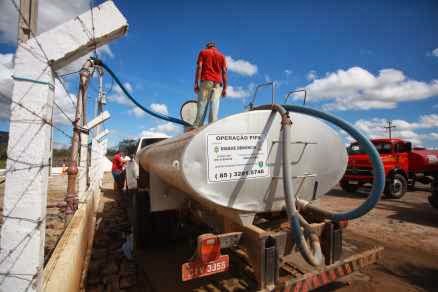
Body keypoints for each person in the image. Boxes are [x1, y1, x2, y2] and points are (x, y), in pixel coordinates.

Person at [193, 41, 227, 127]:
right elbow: (224, 72)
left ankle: (197, 126)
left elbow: (200, 67)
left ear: (207, 46)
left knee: (202, 104)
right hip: (218, 83)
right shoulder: (222, 56)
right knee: (214, 107)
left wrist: (196, 83)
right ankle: (211, 127)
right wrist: (225, 88)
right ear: (215, 47)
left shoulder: (203, 52)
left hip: (206, 81)